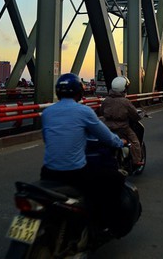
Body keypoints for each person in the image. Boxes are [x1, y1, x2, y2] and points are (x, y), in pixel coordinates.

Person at [40, 73, 127, 231]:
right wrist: (120, 142)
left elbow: (48, 140)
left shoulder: (47, 113)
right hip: (74, 172)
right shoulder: (83, 111)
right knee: (115, 179)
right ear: (79, 92)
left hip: (48, 172)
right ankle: (108, 225)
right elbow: (106, 137)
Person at [101, 76, 143, 169]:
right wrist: (138, 117)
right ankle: (136, 161)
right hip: (122, 128)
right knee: (135, 141)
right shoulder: (125, 102)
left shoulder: (106, 100)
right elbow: (134, 115)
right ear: (123, 88)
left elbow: (101, 111)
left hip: (107, 127)